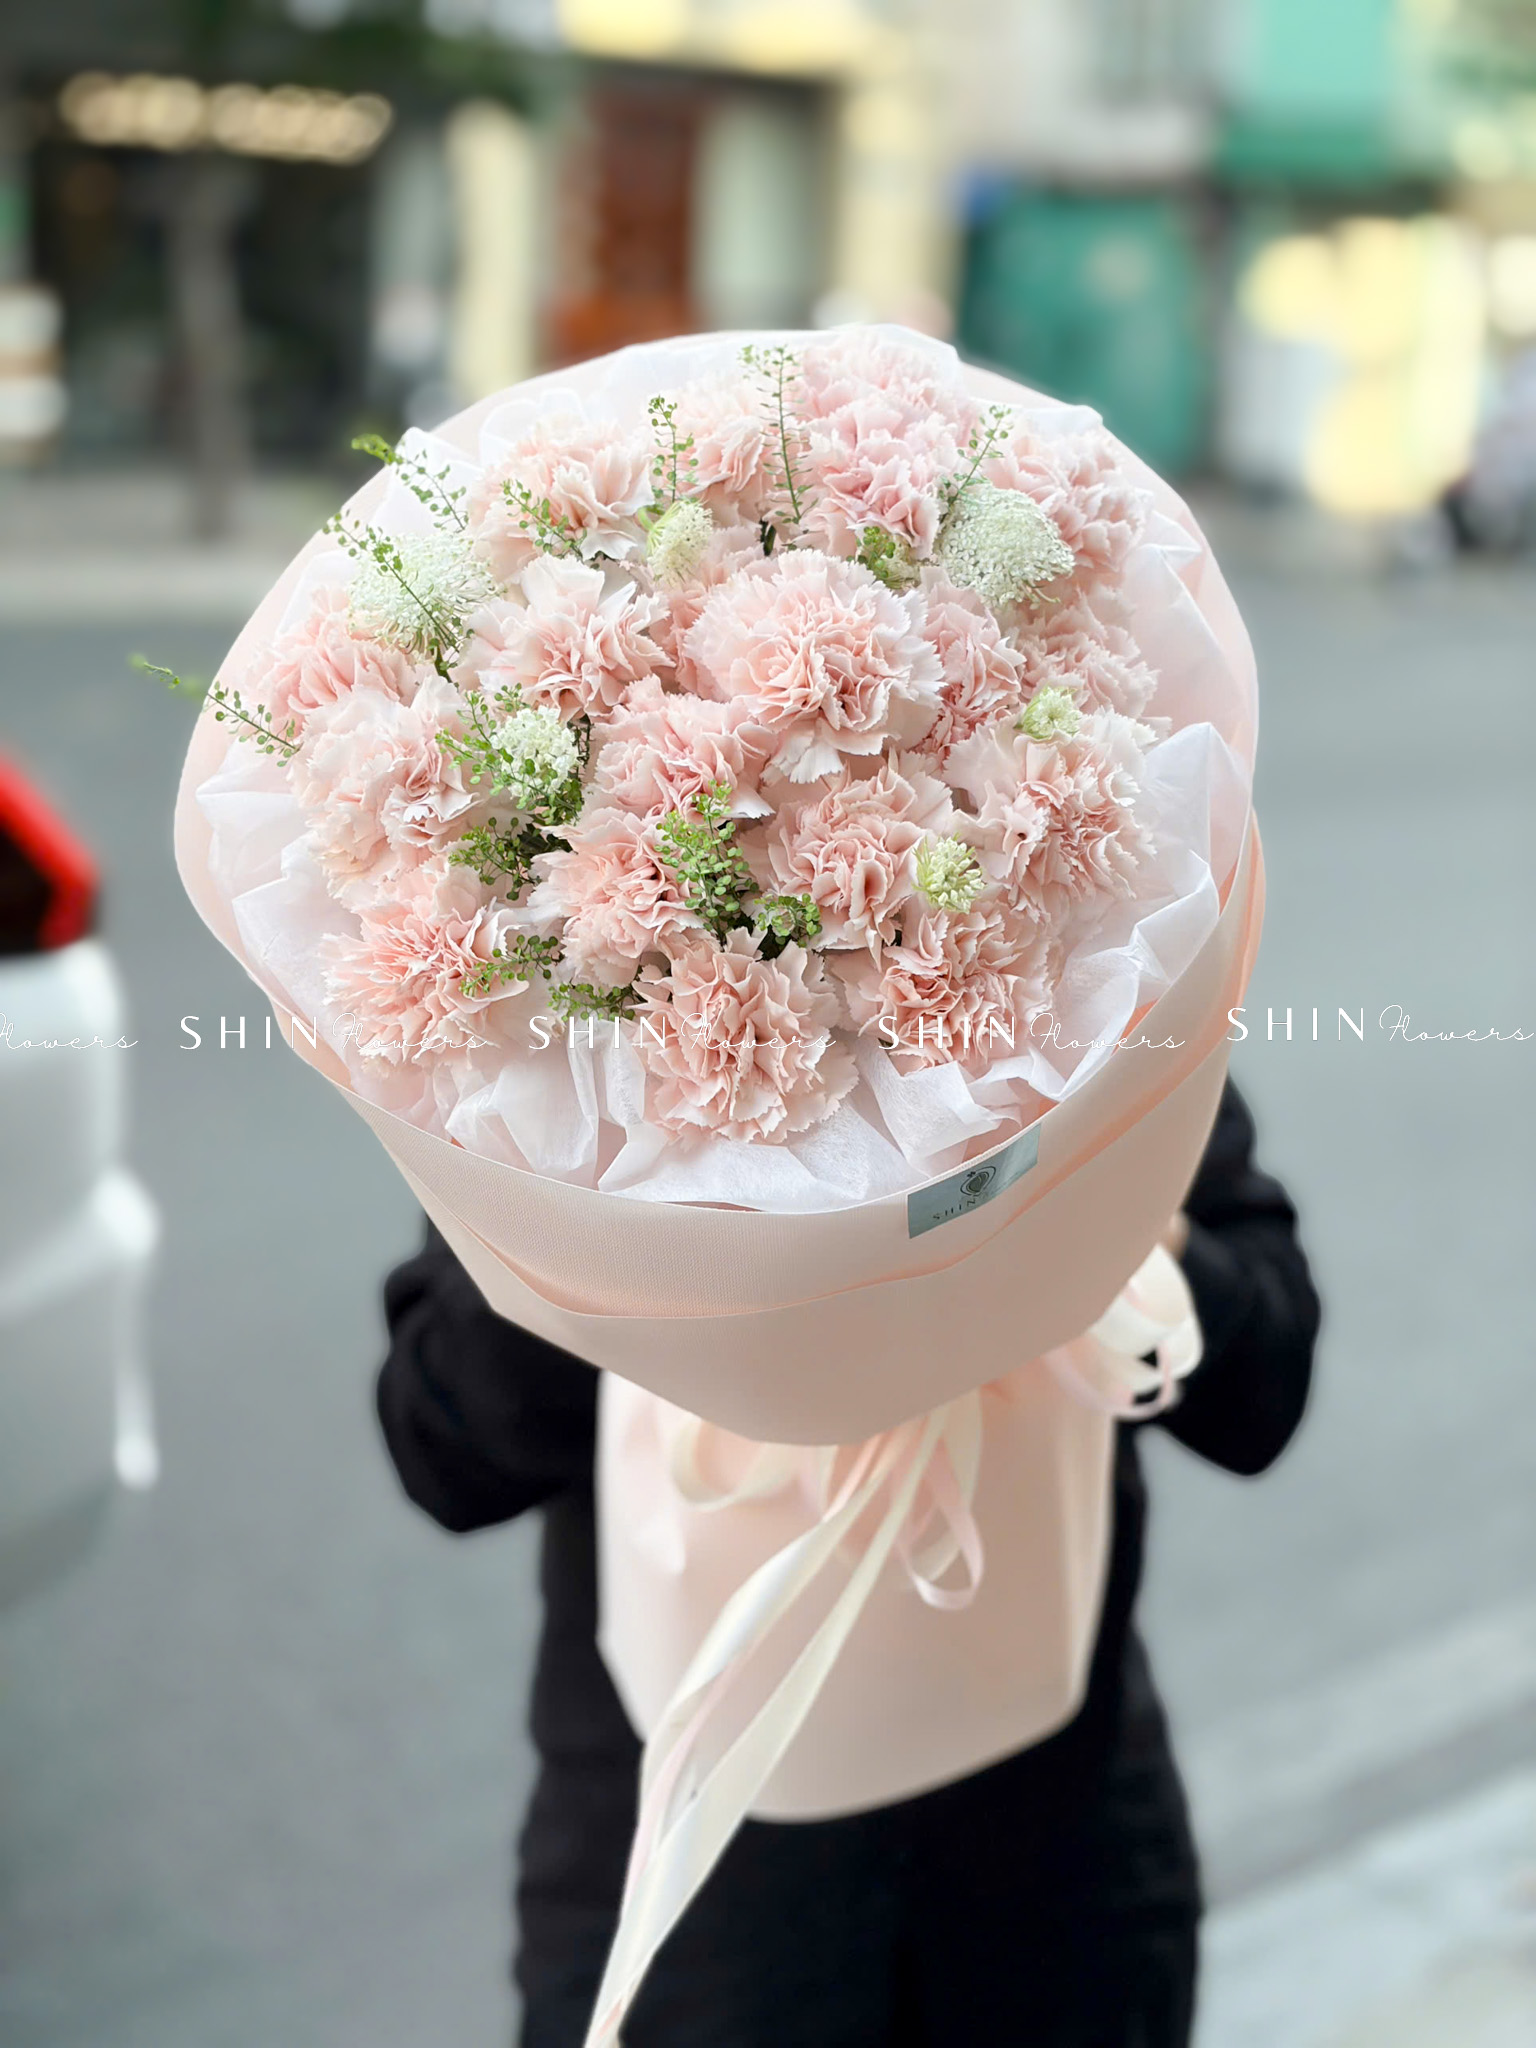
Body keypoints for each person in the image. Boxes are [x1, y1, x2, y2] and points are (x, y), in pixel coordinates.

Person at [376, 1080, 1319, 2048]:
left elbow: (1264, 1383)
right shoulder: (573, 1074)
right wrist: (615, 1224)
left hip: (1063, 1880)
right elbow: (441, 1451)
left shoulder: (1082, 1026)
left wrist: (1097, 1202)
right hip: (691, 1910)